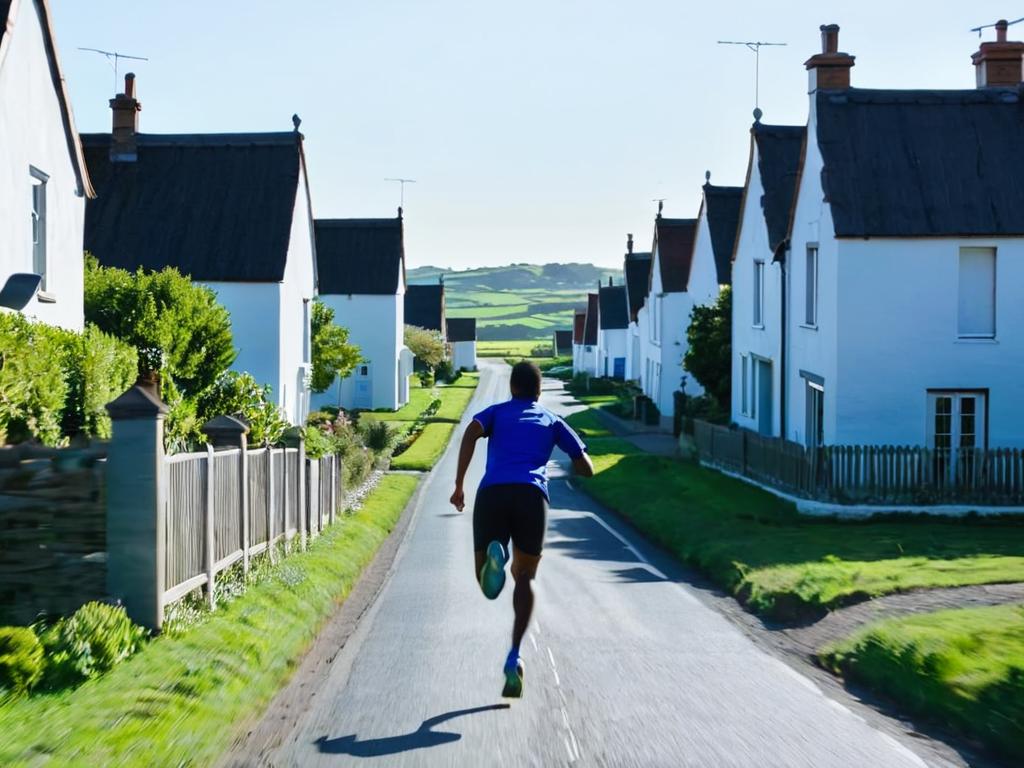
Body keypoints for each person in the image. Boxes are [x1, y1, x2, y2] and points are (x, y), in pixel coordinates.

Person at [450, 361, 593, 697]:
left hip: (493, 494)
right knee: (525, 578)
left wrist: (459, 485)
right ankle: (514, 657)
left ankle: (495, 555)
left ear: (511, 387)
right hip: (531, 498)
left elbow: (471, 431)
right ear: (539, 391)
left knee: (486, 585)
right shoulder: (552, 420)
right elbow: (586, 468)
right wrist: (576, 462)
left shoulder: (496, 413)